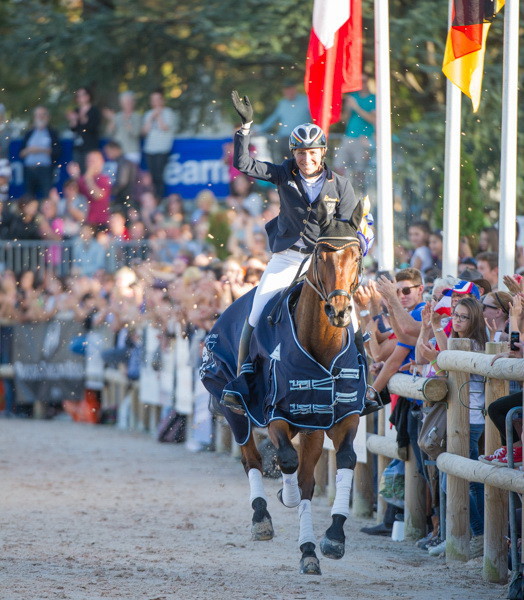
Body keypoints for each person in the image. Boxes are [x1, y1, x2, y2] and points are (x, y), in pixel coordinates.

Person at [225, 90, 375, 413]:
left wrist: (355, 249)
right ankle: (242, 380)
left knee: (352, 319)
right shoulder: (283, 174)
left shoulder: (340, 184)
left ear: (322, 153)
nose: (307, 159)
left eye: (312, 153)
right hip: (288, 256)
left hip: (324, 260)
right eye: (301, 153)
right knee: (258, 308)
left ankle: (366, 383)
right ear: (294, 154)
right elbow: (243, 163)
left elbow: (352, 227)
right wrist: (246, 128)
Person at [333, 74, 376, 194]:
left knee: (360, 170)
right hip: (348, 137)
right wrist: (347, 108)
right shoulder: (353, 97)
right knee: (339, 165)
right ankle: (341, 192)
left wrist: (356, 107)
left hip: (363, 139)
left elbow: (373, 119)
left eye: (364, 81)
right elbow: (344, 119)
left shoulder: (374, 98)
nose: (361, 84)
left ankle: (359, 195)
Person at [255, 81, 311, 163]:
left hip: (301, 140)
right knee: (285, 165)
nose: (288, 92)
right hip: (285, 139)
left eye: (290, 89)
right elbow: (273, 118)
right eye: (286, 89)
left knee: (300, 164)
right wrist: (259, 129)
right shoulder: (282, 103)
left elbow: (316, 116)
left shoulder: (306, 101)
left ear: (295, 89)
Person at [141, 89, 177, 200]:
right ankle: (153, 198)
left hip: (162, 149)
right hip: (149, 149)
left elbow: (164, 127)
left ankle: (159, 198)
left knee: (159, 176)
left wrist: (158, 116)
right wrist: (151, 118)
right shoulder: (148, 114)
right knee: (151, 176)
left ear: (162, 100)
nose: (155, 102)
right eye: (153, 100)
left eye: (157, 99)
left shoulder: (168, 113)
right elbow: (144, 132)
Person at [19, 106, 61, 199]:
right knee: (29, 197)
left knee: (47, 196)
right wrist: (29, 150)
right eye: (38, 115)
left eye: (43, 115)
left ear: (48, 117)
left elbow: (57, 151)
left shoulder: (52, 132)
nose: (40, 117)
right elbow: (21, 153)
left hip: (45, 169)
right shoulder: (29, 133)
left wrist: (39, 150)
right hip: (29, 169)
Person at [67, 151, 111, 229]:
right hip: (84, 224)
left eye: (94, 160)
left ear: (101, 162)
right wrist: (75, 177)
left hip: (100, 223)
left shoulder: (104, 179)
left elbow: (98, 195)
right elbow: (72, 194)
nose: (91, 163)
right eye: (89, 161)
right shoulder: (81, 180)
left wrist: (88, 177)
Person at [67, 87, 101, 172]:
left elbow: (92, 127)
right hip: (78, 147)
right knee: (78, 172)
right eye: (78, 96)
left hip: (90, 146)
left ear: (88, 96)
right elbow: (73, 129)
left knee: (90, 171)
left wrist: (82, 117)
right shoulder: (76, 110)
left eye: (83, 95)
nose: (81, 98)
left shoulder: (94, 110)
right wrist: (73, 120)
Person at [103, 91, 142, 164]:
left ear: (133, 102)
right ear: (121, 103)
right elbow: (109, 133)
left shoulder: (137, 116)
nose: (127, 104)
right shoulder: (117, 116)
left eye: (129, 102)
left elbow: (135, 133)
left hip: (131, 152)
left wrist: (126, 120)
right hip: (117, 153)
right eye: (124, 102)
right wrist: (112, 120)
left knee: (131, 175)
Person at [103, 140, 138, 214]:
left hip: (125, 198)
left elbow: (122, 182)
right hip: (127, 197)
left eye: (108, 152)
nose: (107, 155)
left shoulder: (124, 162)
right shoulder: (124, 161)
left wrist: (110, 193)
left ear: (115, 149)